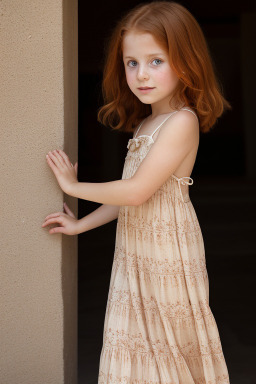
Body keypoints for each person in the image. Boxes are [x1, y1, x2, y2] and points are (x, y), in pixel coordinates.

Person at [42, 1, 232, 382]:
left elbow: (135, 193)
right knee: (135, 347)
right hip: (136, 251)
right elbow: (125, 201)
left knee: (166, 349)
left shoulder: (181, 122)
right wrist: (80, 225)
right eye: (132, 63)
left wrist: (72, 185)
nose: (141, 74)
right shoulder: (147, 123)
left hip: (166, 253)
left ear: (186, 61)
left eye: (156, 61)